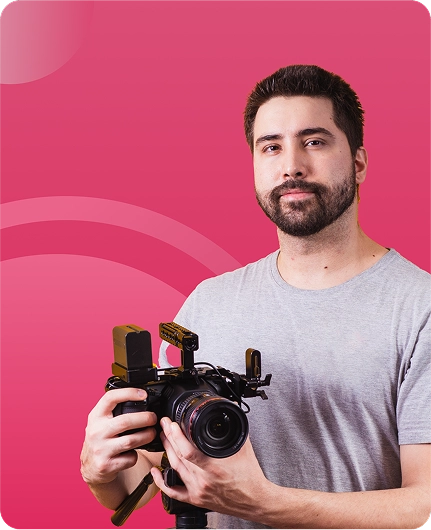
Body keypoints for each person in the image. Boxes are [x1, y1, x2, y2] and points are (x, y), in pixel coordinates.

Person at [80, 65, 431, 529]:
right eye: (271, 147)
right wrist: (99, 471)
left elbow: (425, 505)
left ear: (359, 162)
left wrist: (262, 503)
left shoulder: (418, 308)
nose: (291, 165)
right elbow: (145, 482)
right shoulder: (209, 302)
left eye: (314, 141)